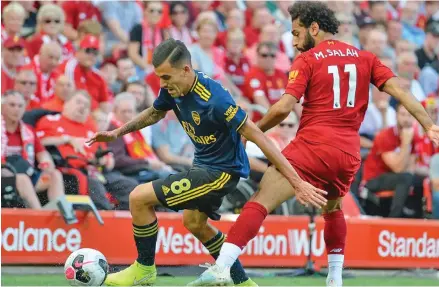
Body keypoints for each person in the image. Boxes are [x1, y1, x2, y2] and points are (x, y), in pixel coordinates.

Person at [189, 2, 439, 287]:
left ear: (314, 28)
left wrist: (250, 132)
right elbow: (401, 91)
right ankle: (334, 279)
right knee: (333, 209)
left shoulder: (309, 59)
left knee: (260, 201)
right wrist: (429, 124)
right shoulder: (366, 58)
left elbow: (284, 108)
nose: (294, 42)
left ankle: (221, 268)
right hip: (348, 155)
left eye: (296, 33)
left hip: (313, 147)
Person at [87, 38, 326, 286]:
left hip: (221, 173)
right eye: (160, 77)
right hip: (203, 166)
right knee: (194, 223)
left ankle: (144, 269)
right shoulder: (173, 87)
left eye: (166, 77)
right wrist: (117, 133)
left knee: (138, 197)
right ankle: (243, 283)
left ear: (186, 70)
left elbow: (259, 137)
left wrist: (296, 181)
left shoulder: (215, 98)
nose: (163, 84)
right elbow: (156, 112)